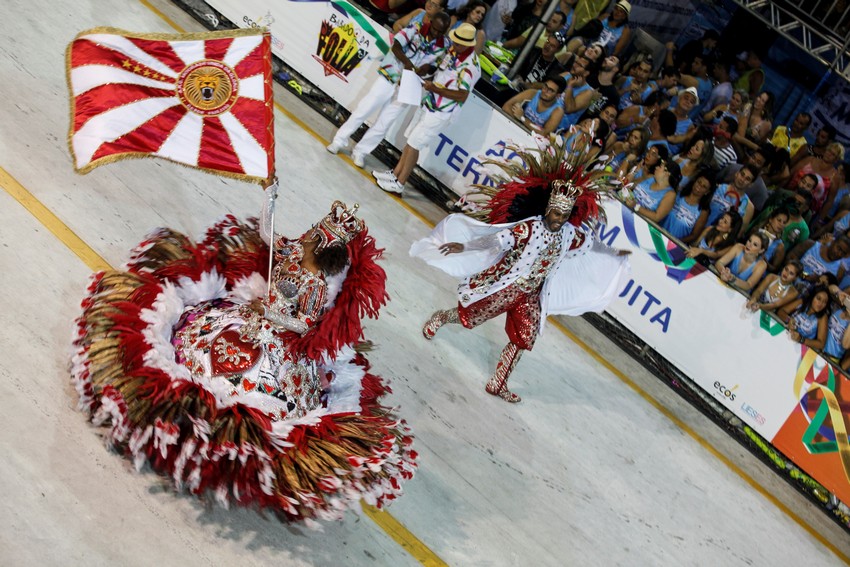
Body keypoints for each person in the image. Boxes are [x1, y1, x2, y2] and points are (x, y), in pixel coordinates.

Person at [71, 191, 417, 523]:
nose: (308, 233)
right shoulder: (292, 250)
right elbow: (267, 233)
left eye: (314, 233)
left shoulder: (315, 283)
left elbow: (304, 324)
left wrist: (269, 312)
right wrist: (269, 196)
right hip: (241, 320)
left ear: (322, 245)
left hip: (278, 348)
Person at [410, 147, 630, 403]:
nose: (559, 219)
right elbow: (494, 241)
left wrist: (614, 252)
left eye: (564, 215)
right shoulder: (529, 229)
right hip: (505, 287)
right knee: (468, 317)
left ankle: (498, 382)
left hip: (531, 295)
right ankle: (440, 317)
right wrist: (465, 246)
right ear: (548, 209)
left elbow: (591, 244)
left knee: (524, 338)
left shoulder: (569, 234)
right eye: (556, 213)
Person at [326, 12, 450, 168]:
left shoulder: (444, 45)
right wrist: (407, 63)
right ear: (430, 23)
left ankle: (361, 152)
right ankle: (339, 141)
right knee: (364, 109)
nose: (437, 33)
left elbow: (436, 67)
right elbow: (396, 46)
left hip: (409, 86)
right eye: (435, 29)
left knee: (385, 123)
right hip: (391, 74)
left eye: (441, 31)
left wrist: (427, 68)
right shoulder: (416, 28)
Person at [373, 23, 481, 195]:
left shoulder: (470, 67)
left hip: (441, 112)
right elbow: (442, 70)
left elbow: (462, 96)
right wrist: (427, 71)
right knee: (410, 140)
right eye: (454, 41)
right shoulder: (454, 51)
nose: (453, 45)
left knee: (415, 144)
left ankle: (400, 183)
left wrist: (435, 89)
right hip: (429, 102)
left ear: (467, 45)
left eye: (458, 43)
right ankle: (395, 174)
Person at [501, 75, 566, 135]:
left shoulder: (558, 111)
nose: (544, 91)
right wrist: (520, 125)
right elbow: (506, 106)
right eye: (545, 86)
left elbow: (544, 133)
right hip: (516, 129)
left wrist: (522, 118)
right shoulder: (532, 93)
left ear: (558, 95)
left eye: (550, 90)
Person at [624, 157, 681, 224]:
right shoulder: (650, 177)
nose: (656, 167)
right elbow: (629, 185)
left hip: (639, 223)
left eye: (660, 167)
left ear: (667, 174)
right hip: (625, 209)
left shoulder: (670, 194)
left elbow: (657, 217)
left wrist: (636, 206)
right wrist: (635, 171)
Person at [662, 172, 714, 243]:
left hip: (674, 244)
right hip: (657, 233)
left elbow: (694, 236)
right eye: (699, 182)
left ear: (707, 192)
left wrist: (675, 242)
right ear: (695, 181)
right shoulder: (677, 194)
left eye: (704, 186)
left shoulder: (703, 211)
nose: (699, 186)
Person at [707, 164, 757, 232]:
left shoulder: (748, 207)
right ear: (737, 174)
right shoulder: (718, 188)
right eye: (742, 174)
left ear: (751, 184)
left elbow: (738, 233)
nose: (742, 180)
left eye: (747, 179)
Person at [784, 285, 830, 350]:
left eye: (824, 302)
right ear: (812, 296)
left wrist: (801, 339)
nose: (820, 304)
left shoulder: (822, 317)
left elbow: (821, 344)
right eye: (818, 299)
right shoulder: (801, 302)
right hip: (785, 335)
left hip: (799, 348)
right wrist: (788, 320)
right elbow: (781, 311)